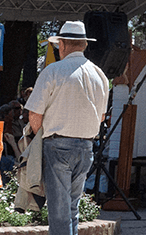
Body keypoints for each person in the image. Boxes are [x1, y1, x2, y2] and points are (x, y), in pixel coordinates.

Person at [25, 21, 110, 235]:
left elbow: (34, 114)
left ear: (62, 45)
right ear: (84, 45)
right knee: (72, 210)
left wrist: (40, 138)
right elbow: (100, 117)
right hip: (86, 147)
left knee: (60, 213)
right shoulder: (100, 75)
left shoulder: (53, 70)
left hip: (58, 145)